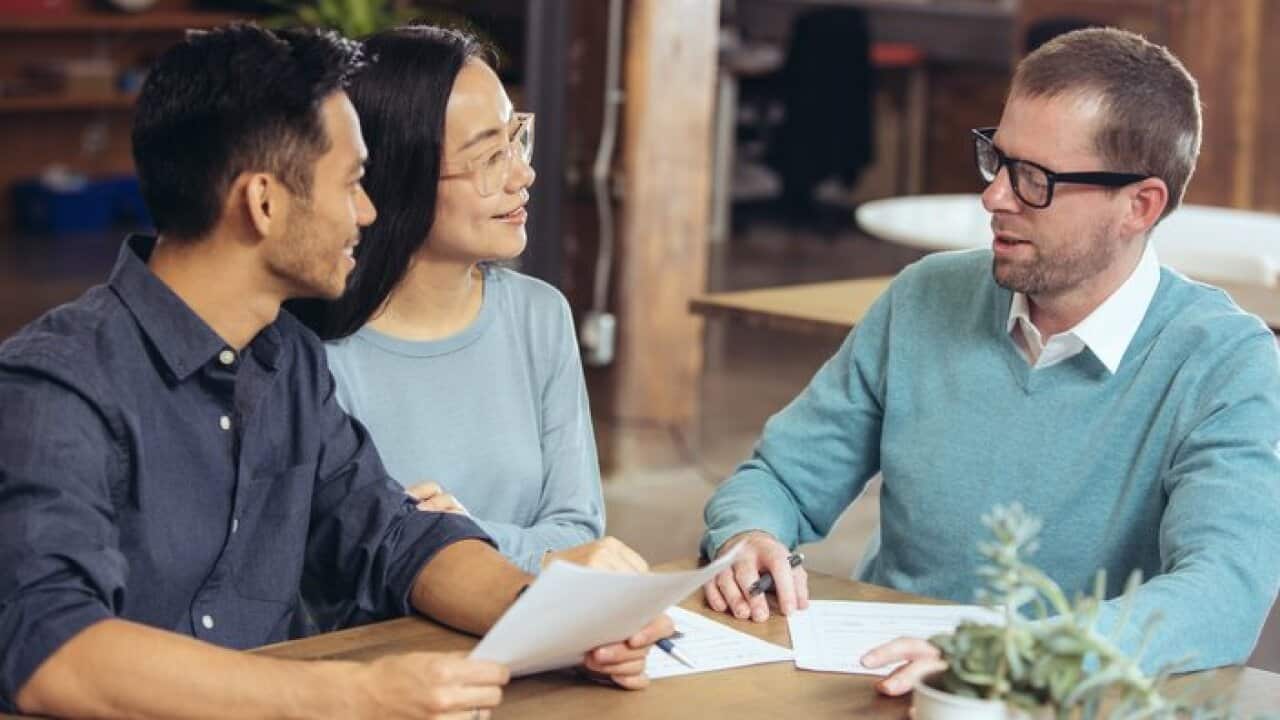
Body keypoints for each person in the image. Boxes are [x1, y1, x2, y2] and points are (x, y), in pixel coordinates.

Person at [0, 25, 669, 719]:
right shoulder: (57, 384)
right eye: (352, 182)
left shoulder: (284, 361)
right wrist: (353, 696)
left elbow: (395, 535)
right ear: (263, 203)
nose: (370, 210)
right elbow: (53, 649)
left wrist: (551, 622)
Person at [699, 27, 1280, 695]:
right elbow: (777, 478)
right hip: (883, 688)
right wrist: (748, 536)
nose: (995, 196)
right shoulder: (923, 296)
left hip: (1072, 700)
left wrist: (1004, 657)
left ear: (1139, 205)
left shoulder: (1224, 359)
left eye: (1035, 179)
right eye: (997, 159)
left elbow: (1224, 592)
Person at [289, 26, 610, 582]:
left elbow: (579, 533)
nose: (522, 174)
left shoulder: (540, 317)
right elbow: (328, 568)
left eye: (516, 140)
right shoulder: (310, 354)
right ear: (394, 175)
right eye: (489, 157)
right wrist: (474, 551)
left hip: (531, 635)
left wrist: (456, 537)